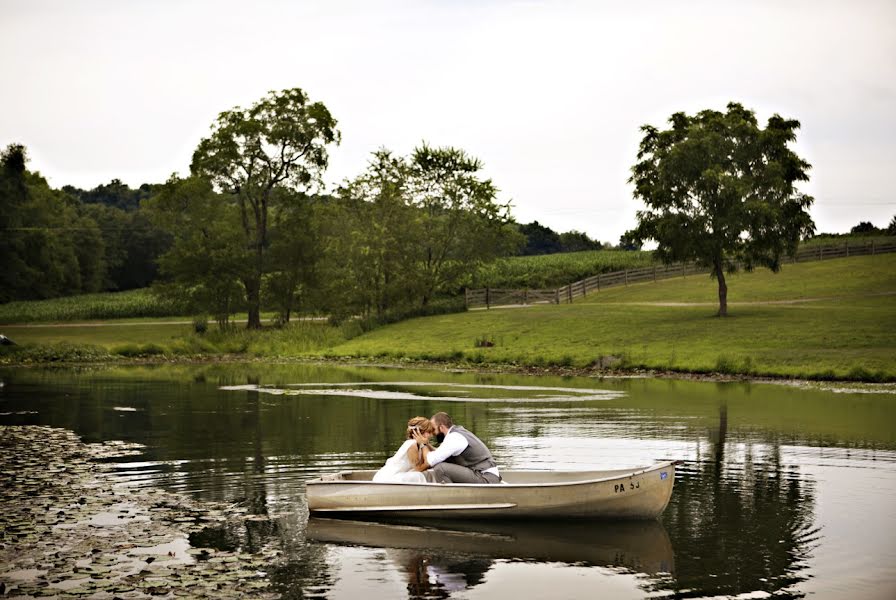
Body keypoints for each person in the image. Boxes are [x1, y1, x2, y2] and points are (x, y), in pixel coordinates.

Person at [412, 412, 501, 484]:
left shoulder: (454, 438)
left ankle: (451, 496)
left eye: (433, 429)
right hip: (482, 474)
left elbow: (430, 461)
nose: (433, 433)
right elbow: (439, 453)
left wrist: (423, 444)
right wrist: (427, 444)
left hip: (486, 478)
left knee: (440, 468)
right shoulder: (456, 433)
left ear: (441, 427)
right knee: (441, 463)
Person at [372, 417, 437, 483]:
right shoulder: (412, 444)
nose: (431, 435)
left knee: (429, 474)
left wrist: (426, 444)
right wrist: (425, 446)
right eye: (428, 432)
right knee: (418, 475)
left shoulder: (420, 445)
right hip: (388, 478)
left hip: (400, 475)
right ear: (418, 432)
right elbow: (419, 468)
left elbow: (436, 453)